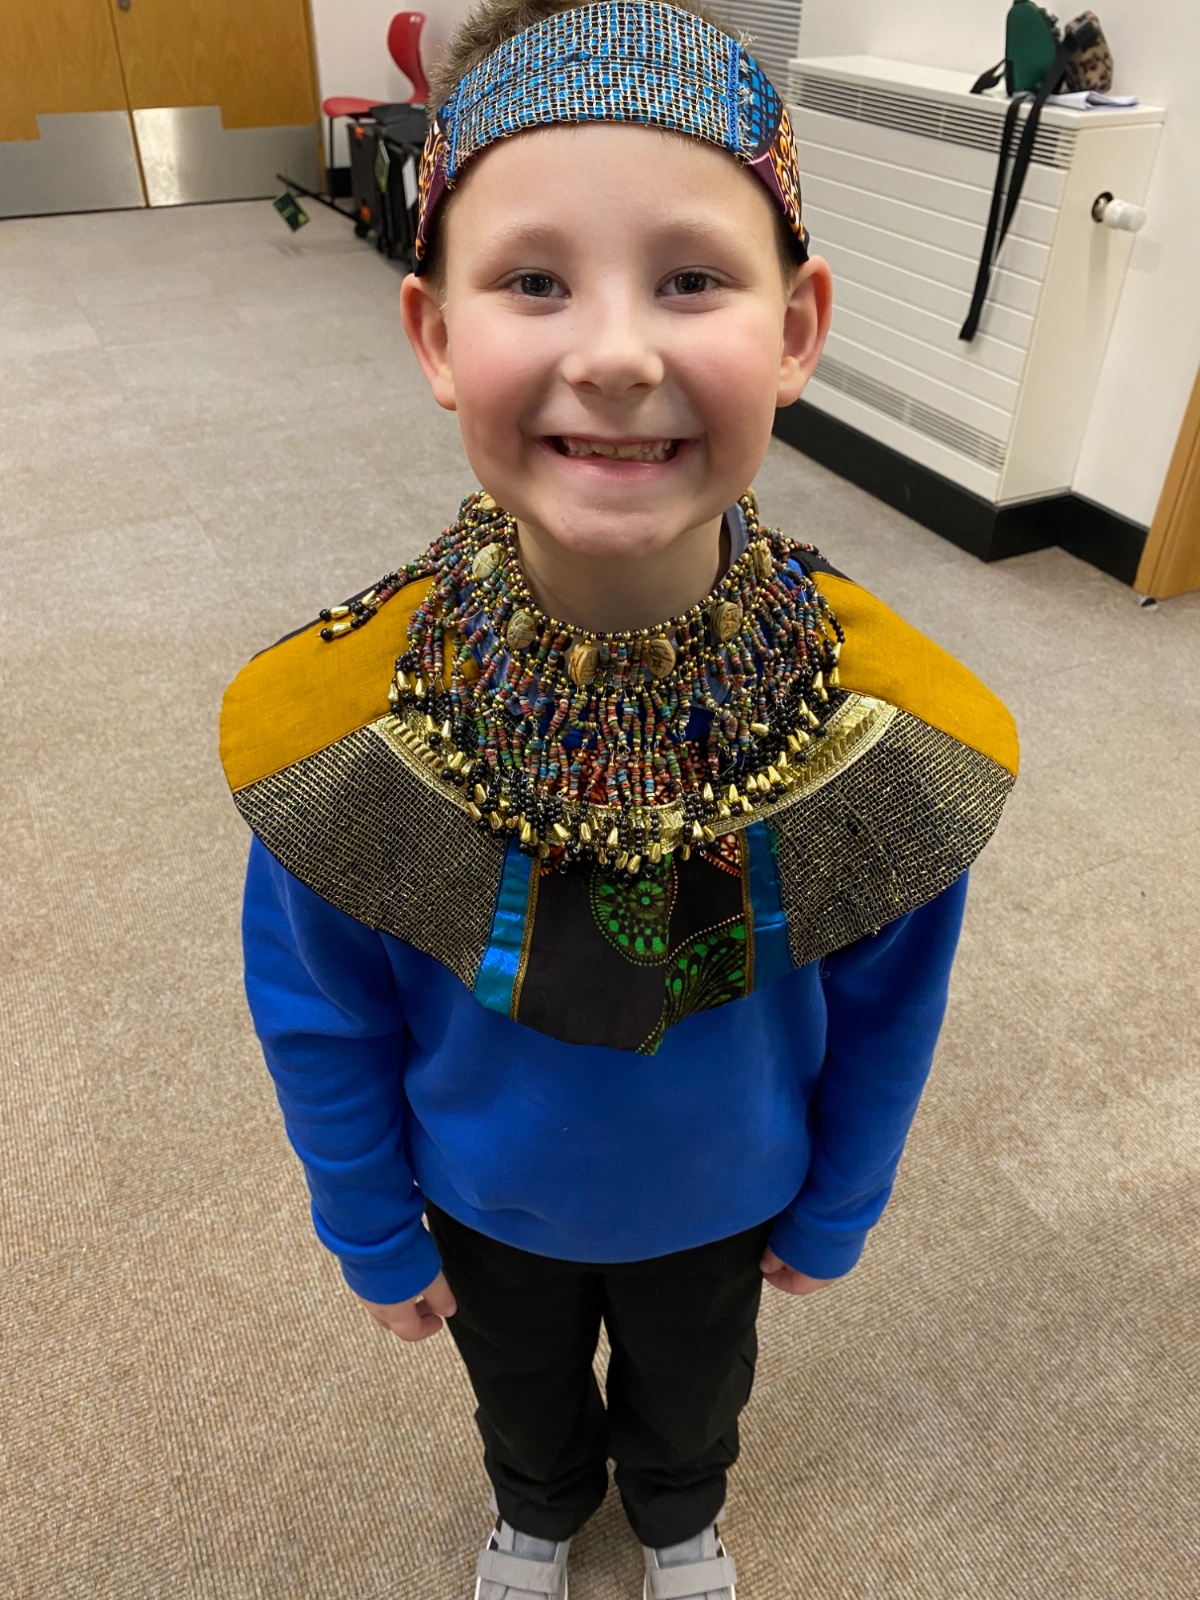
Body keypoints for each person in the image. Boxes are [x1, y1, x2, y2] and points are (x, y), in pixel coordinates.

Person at [220, 3, 1018, 1596]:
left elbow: (893, 1009)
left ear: (797, 329)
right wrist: (370, 1224)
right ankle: (535, 1505)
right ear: (435, 335)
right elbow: (318, 1011)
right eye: (533, 281)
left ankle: (674, 1515)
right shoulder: (342, 735)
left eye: (692, 278)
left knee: (695, 1392)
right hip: (483, 1196)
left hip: (726, 1199)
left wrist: (838, 1205)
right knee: (518, 1389)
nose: (614, 352)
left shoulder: (887, 741)